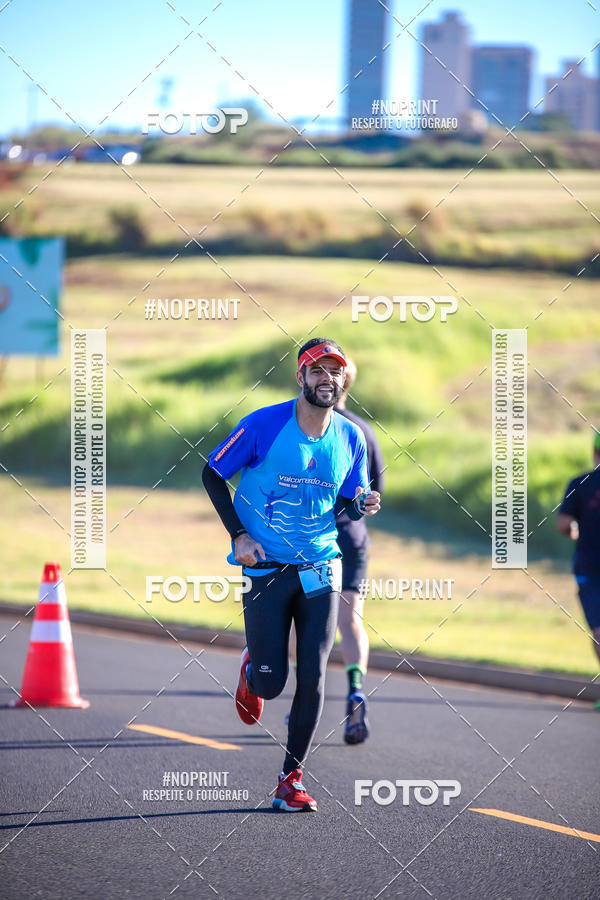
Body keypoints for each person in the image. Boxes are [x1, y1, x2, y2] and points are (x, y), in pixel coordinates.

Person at [202, 338, 381, 811]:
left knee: (315, 673)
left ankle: (290, 779)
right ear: (300, 376)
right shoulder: (263, 424)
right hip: (265, 565)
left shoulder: (351, 437)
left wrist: (361, 504)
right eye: (317, 370)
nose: (327, 379)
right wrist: (239, 535)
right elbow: (212, 473)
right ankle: (252, 670)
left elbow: (345, 504)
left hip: (322, 564)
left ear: (343, 380)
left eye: (334, 371)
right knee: (271, 683)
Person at [333, 358, 385, 744]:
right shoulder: (363, 429)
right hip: (353, 539)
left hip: (312, 540)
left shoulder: (305, 425)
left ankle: (303, 696)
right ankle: (355, 689)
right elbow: (375, 491)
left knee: (303, 622)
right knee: (351, 620)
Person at [557, 431, 600, 707]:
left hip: (589, 568)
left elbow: (564, 524)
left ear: (594, 453)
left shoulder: (580, 483)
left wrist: (574, 530)